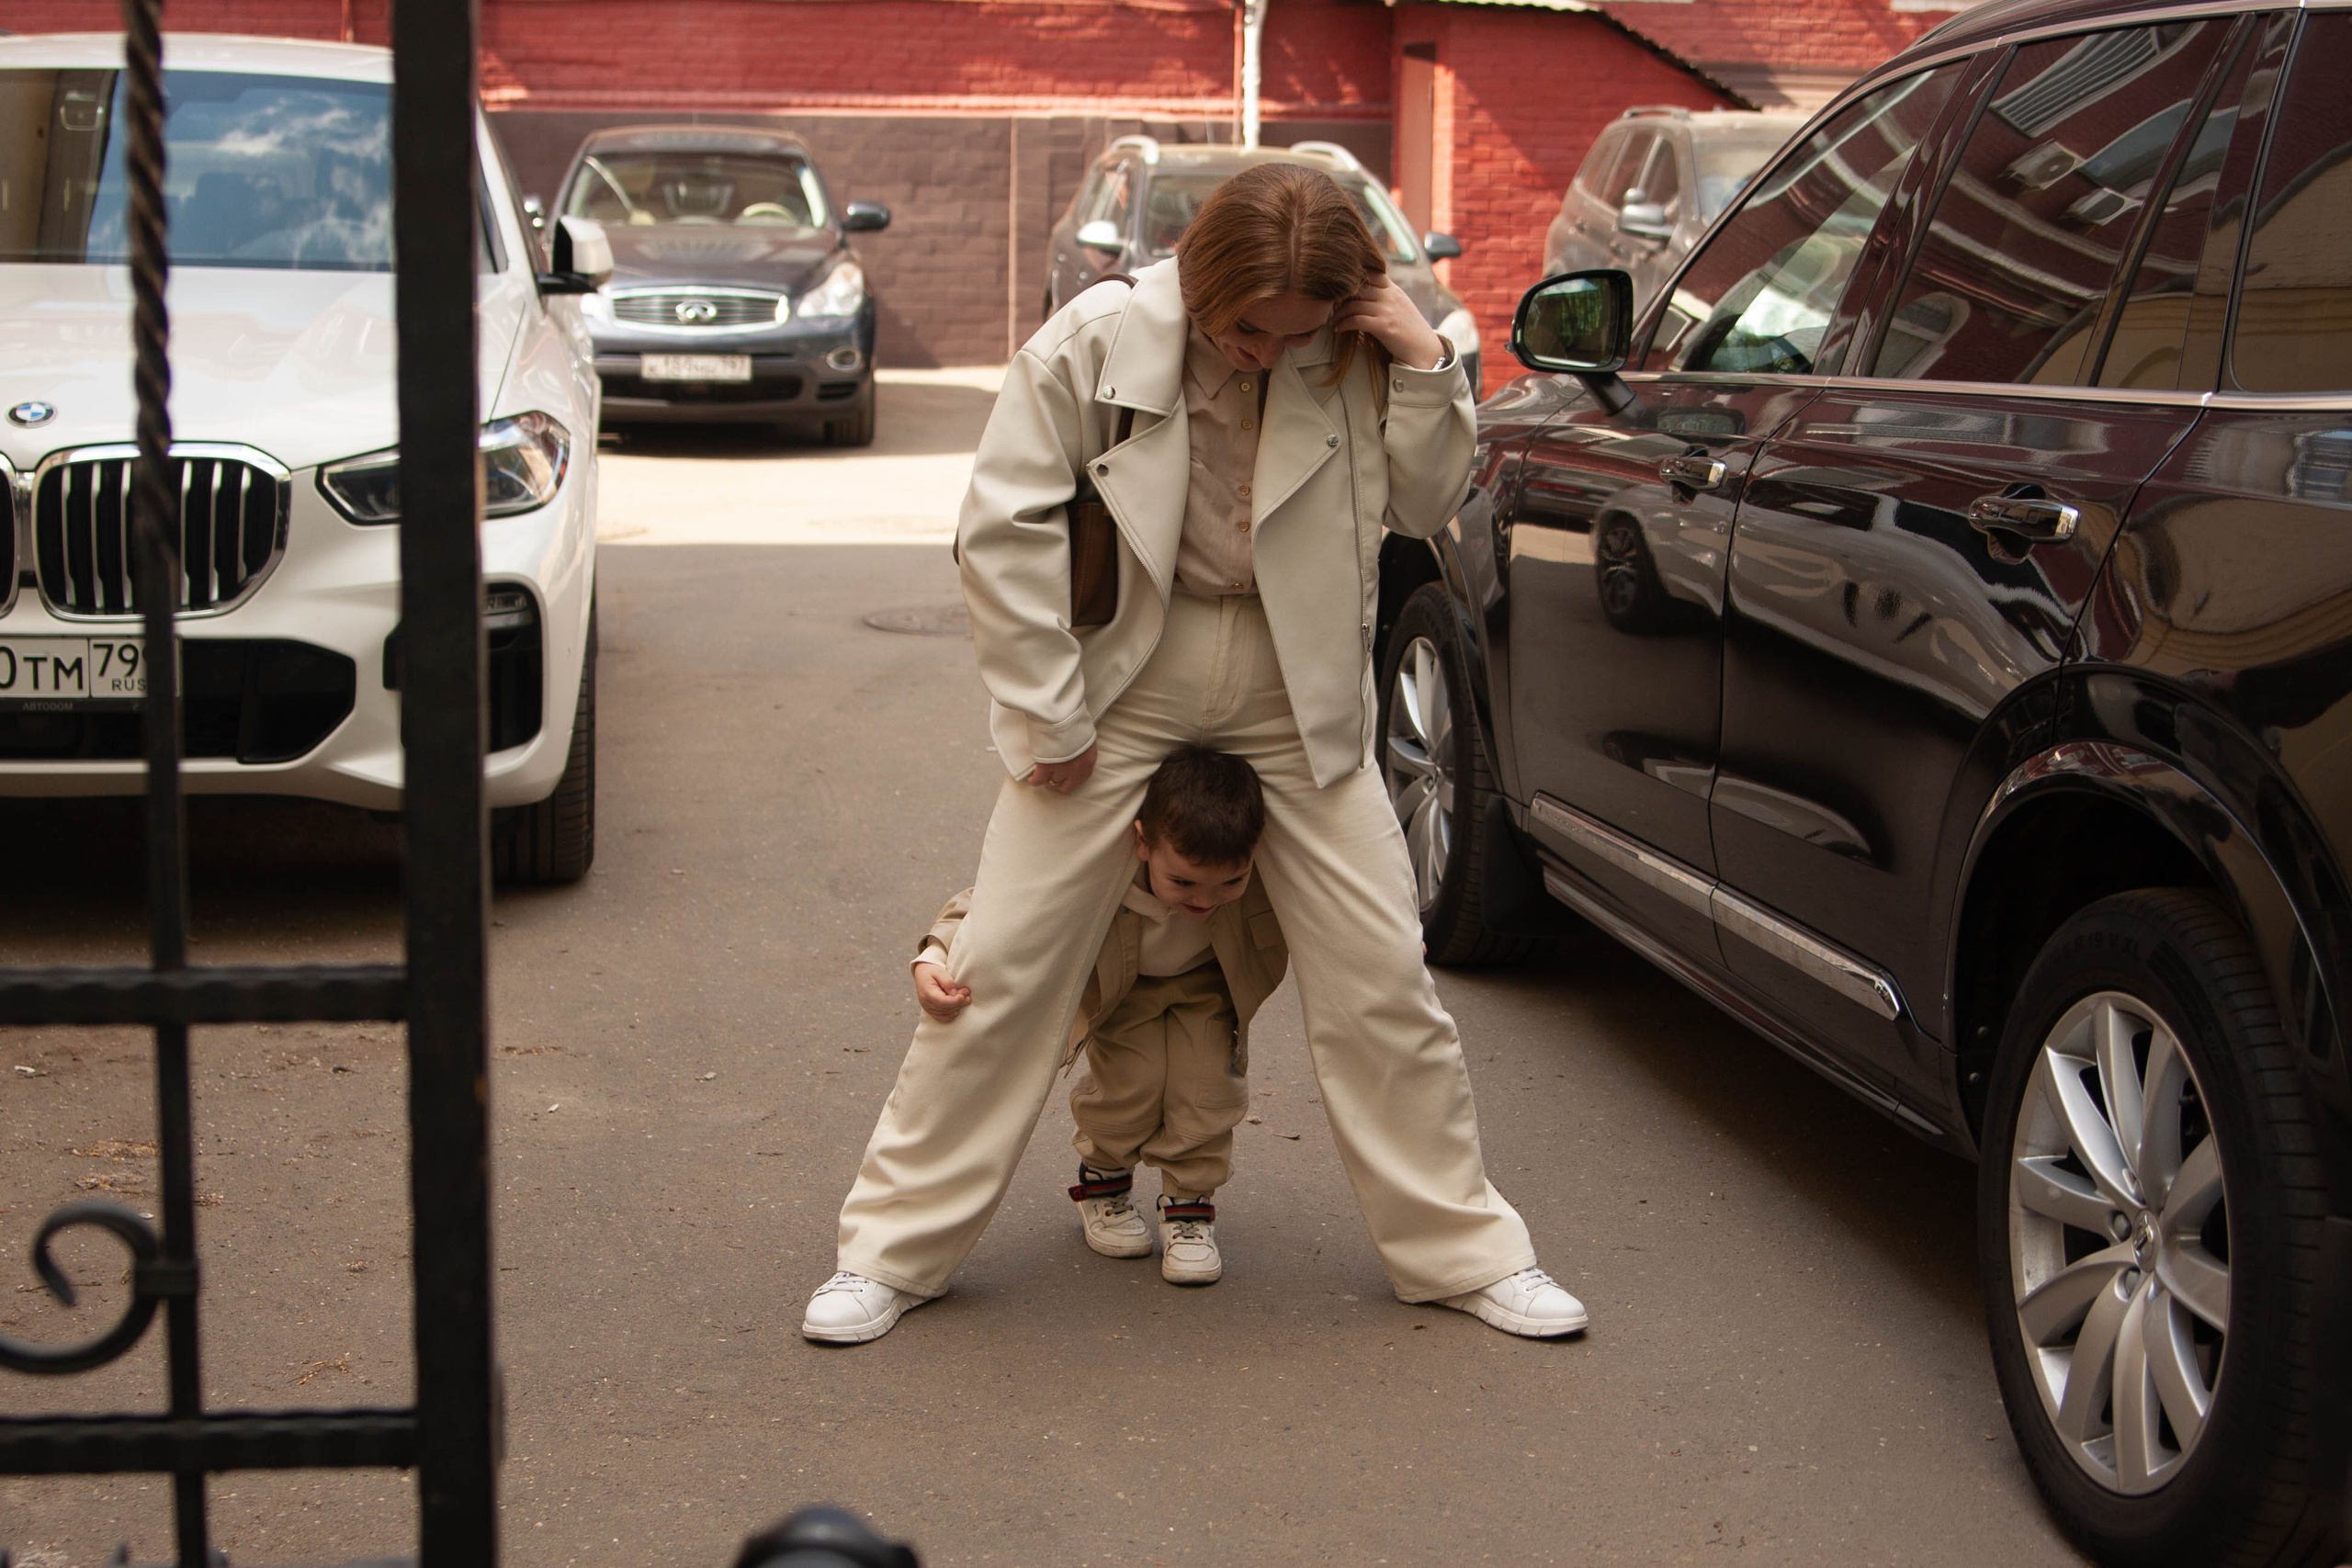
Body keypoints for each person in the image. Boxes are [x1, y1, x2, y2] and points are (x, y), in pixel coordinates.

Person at [802, 162, 1589, 1346]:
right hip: (1129, 673)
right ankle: (890, 1253)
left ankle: (1462, 1253)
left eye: (1301, 331)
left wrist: (1421, 359)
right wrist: (1049, 715)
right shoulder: (1096, 338)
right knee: (1004, 962)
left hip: (1295, 681)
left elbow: (1429, 502)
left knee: (1383, 975)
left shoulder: (1363, 347)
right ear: (1201, 284)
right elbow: (1001, 526)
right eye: (1247, 330)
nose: (1271, 353)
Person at [909, 746, 1287, 1290]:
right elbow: (993, 902)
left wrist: (1387, 946)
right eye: (1182, 882)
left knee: (1207, 1089)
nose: (1205, 900)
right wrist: (935, 953)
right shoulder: (1100, 865)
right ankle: (1104, 1183)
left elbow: (1330, 901)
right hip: (1125, 988)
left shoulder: (1259, 876)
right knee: (1130, 1088)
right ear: (1142, 842)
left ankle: (1189, 1206)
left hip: (1208, 988)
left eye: (1229, 883)